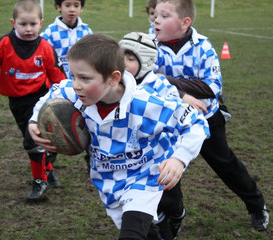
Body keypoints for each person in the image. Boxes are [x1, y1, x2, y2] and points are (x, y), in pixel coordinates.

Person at [28, 33, 209, 240]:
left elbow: (196, 122)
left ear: (113, 78)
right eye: (73, 76)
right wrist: (34, 122)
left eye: (85, 78)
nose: (76, 84)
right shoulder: (73, 94)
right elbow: (49, 97)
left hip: (145, 176)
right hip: (108, 181)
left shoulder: (144, 104)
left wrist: (179, 159)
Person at [153, 0, 269, 232]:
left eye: (164, 16)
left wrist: (168, 82)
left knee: (226, 165)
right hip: (168, 122)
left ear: (185, 22)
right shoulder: (147, 44)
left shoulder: (203, 47)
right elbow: (144, 81)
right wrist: (181, 92)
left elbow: (212, 87)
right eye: (154, 15)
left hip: (205, 119)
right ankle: (172, 214)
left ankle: (257, 205)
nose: (155, 20)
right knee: (164, 170)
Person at [0, 0, 67, 201]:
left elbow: (57, 74)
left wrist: (67, 96)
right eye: (23, 24)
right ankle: (48, 170)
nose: (28, 29)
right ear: (13, 22)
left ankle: (39, 181)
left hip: (40, 99)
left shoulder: (45, 47)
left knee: (31, 139)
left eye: (33, 24)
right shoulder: (4, 44)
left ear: (41, 23)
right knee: (32, 139)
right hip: (16, 102)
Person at [119, 31, 207, 240]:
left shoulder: (160, 86)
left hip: (161, 157)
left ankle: (177, 214)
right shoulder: (117, 83)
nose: (123, 63)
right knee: (151, 210)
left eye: (131, 59)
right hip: (132, 160)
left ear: (147, 62)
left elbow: (176, 107)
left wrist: (184, 97)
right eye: (121, 56)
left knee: (170, 200)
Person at [40, 0, 92, 79]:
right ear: (59, 7)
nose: (72, 9)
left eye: (76, 6)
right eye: (67, 5)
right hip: (57, 80)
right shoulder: (50, 31)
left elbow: (93, 55)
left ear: (81, 8)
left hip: (80, 79)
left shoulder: (86, 31)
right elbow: (39, 52)